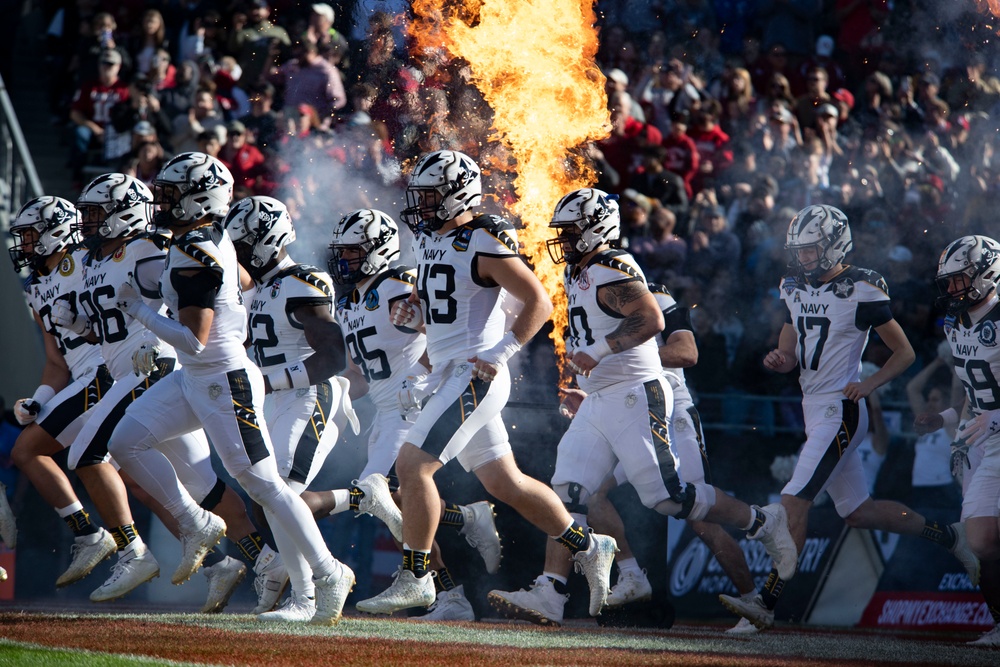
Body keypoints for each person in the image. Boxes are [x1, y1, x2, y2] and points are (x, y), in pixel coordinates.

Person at [488, 189, 795, 627]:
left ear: (597, 227)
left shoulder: (614, 264)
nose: (565, 240)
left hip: (636, 393)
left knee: (669, 498)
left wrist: (599, 350)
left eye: (572, 231)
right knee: (570, 491)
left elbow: (652, 318)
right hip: (601, 400)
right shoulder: (581, 272)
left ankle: (762, 520)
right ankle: (551, 592)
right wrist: (586, 383)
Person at [355, 151, 617, 618]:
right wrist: (416, 320)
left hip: (474, 372)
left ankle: (416, 576)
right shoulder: (436, 237)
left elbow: (537, 301)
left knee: (412, 464)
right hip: (450, 373)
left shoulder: (481, 236)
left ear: (458, 194)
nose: (422, 204)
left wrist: (501, 351)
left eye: (432, 195)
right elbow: (446, 309)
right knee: (506, 483)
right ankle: (590, 545)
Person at [105, 152, 354, 625]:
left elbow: (195, 343)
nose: (163, 200)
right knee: (125, 441)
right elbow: (237, 282)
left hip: (221, 378)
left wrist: (138, 310)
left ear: (198, 199)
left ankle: (324, 576)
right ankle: (197, 523)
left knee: (264, 485)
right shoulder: (208, 238)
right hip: (198, 377)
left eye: (171, 193)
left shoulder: (196, 250)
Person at [720, 204, 980, 631]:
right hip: (814, 408)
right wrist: (781, 358)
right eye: (799, 250)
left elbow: (906, 352)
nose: (803, 258)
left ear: (834, 243)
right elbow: (791, 344)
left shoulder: (861, 287)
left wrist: (870, 384)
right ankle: (951, 536)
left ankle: (765, 603)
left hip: (840, 409)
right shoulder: (793, 285)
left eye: (811, 249)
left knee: (792, 502)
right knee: (859, 511)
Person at [73, 173, 281, 613]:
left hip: (158, 366)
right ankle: (252, 563)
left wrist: (159, 325)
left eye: (96, 214)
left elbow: (230, 282)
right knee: (203, 486)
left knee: (88, 455)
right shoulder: (95, 259)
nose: (88, 223)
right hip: (149, 371)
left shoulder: (154, 244)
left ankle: (133, 553)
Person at [329, 208, 504, 622]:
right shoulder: (349, 300)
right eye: (343, 252)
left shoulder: (397, 284)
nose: (345, 261)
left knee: (385, 493)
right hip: (385, 410)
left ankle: (433, 576)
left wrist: (423, 375)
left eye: (353, 252)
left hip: (412, 405)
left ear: (377, 250)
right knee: (393, 503)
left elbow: (440, 330)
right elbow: (359, 372)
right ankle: (453, 578)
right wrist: (333, 392)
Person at [586, 281, 767, 634]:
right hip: (630, 417)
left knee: (700, 518)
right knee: (589, 493)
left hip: (672, 416)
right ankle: (632, 574)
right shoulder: (591, 305)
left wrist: (617, 355)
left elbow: (686, 352)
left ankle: (754, 599)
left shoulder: (655, 296)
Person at [225, 195, 358, 621]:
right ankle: (297, 583)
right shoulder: (258, 288)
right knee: (267, 495)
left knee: (279, 487)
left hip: (308, 395)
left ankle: (308, 595)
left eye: (245, 244)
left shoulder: (303, 280)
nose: (241, 253)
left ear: (269, 239)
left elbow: (334, 357)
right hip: (271, 402)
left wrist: (267, 381)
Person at [8, 196, 118, 589]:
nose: (24, 245)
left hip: (111, 372)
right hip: (84, 377)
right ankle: (220, 565)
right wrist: (39, 397)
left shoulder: (91, 263)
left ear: (55, 231)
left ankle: (96, 537)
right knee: (141, 477)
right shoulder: (36, 288)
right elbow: (57, 362)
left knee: (31, 449)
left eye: (30, 235)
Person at [915, 235, 1000, 646]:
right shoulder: (954, 323)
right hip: (990, 441)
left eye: (959, 280)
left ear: (988, 273)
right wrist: (948, 418)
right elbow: (973, 388)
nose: (952, 290)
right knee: (980, 540)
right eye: (947, 282)